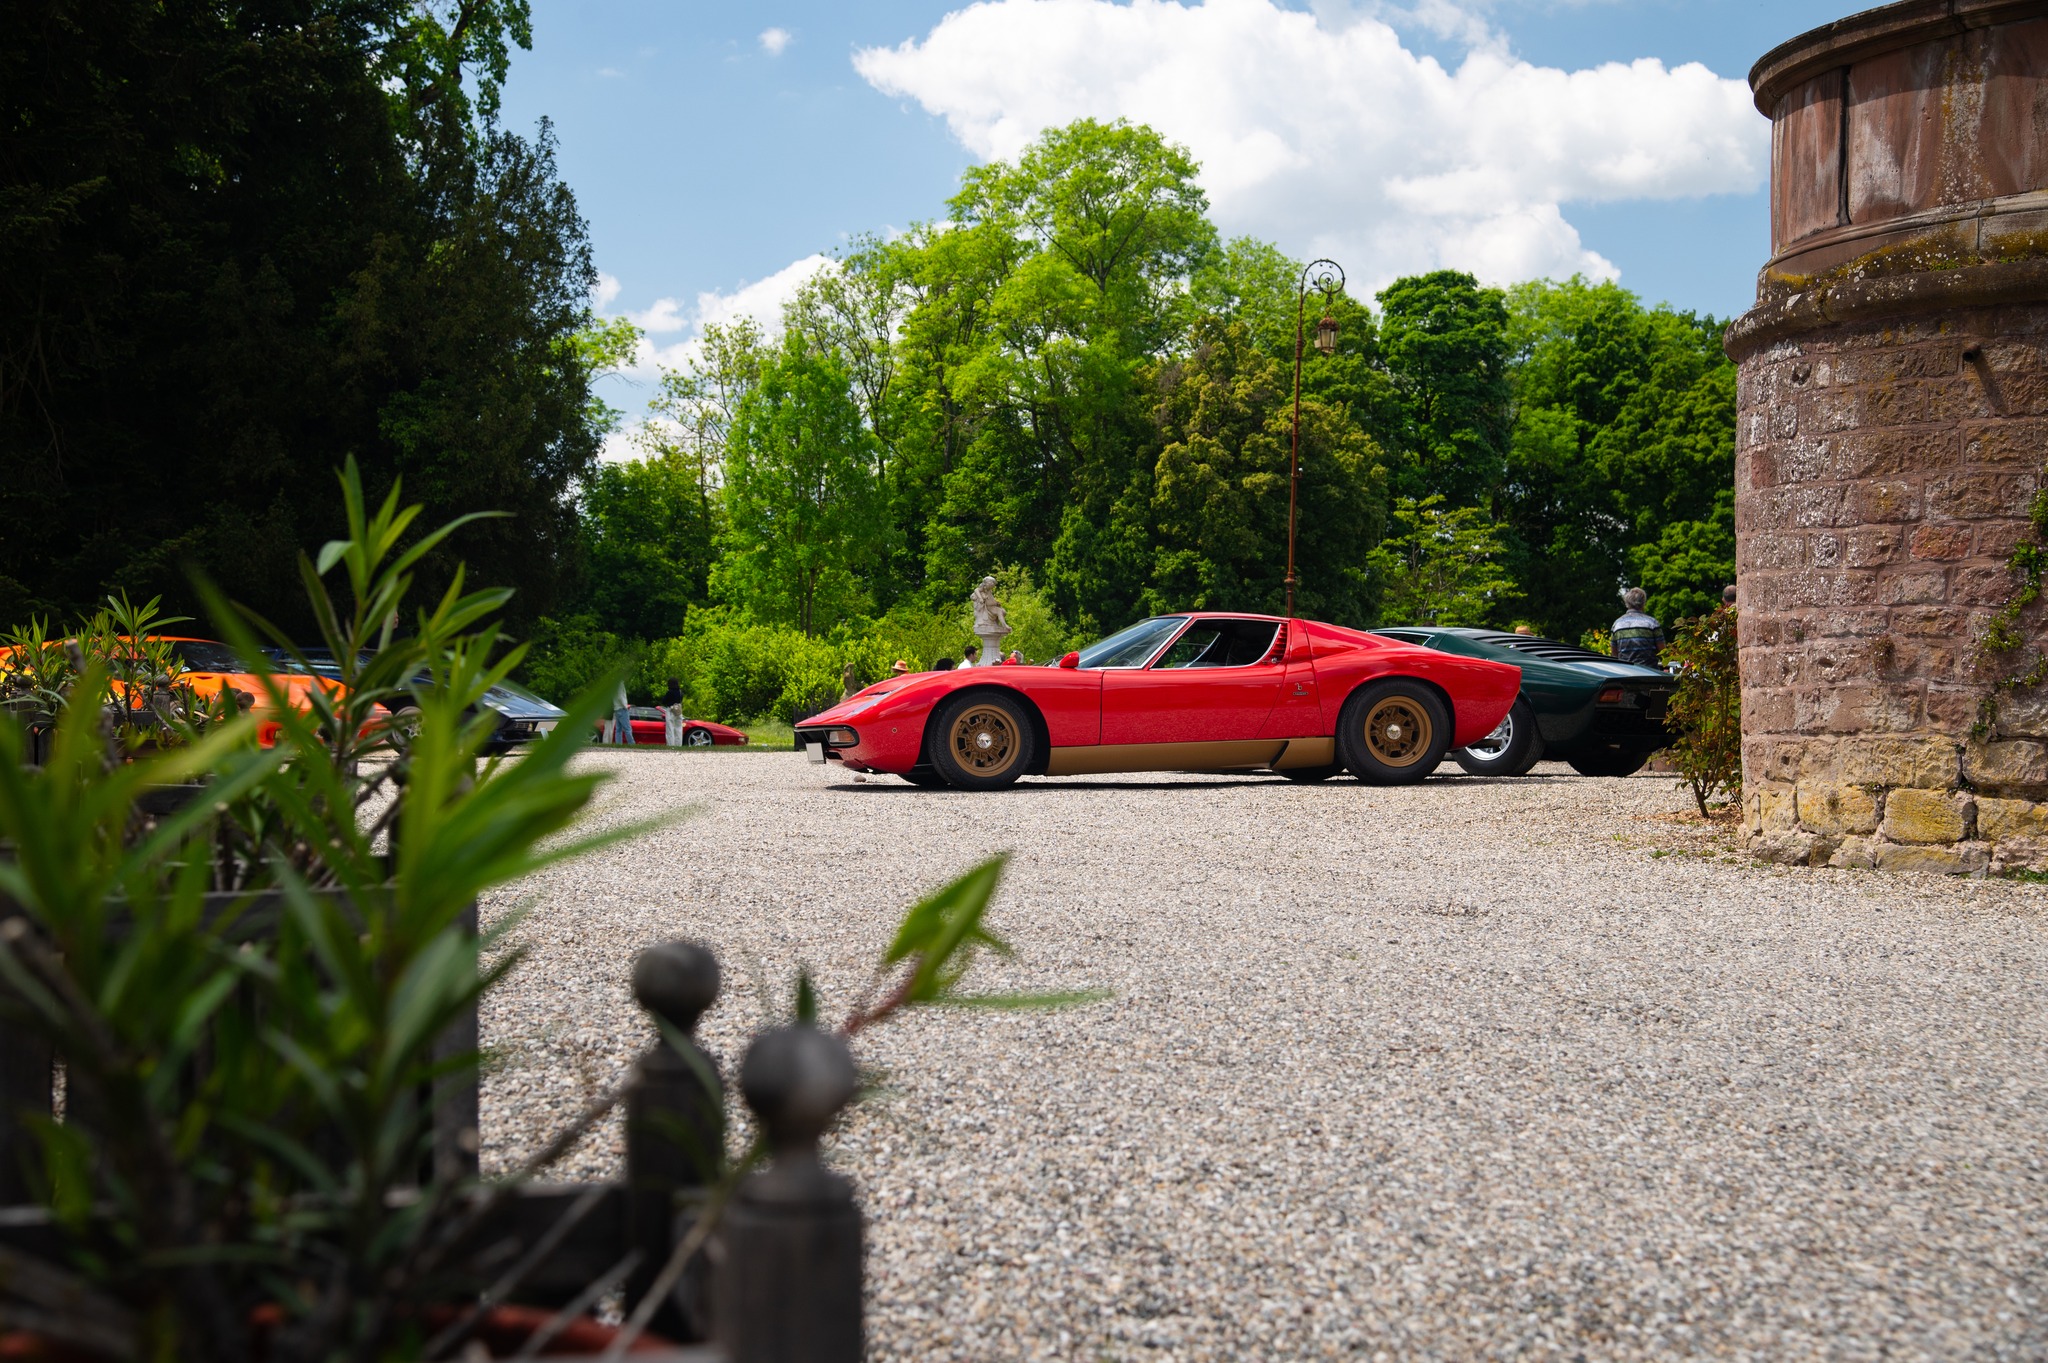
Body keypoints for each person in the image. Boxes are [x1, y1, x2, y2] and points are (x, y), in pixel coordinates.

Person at [1612, 587, 1665, 669]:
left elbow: (1614, 655)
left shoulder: (1617, 624)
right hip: (1649, 672)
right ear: (1643, 602)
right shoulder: (1652, 623)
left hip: (1625, 672)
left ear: (1627, 603)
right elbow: (1663, 652)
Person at [659, 676, 686, 747]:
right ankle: (678, 744)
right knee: (678, 728)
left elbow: (664, 701)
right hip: (678, 710)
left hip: (671, 710)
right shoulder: (680, 692)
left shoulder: (669, 692)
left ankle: (670, 744)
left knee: (670, 728)